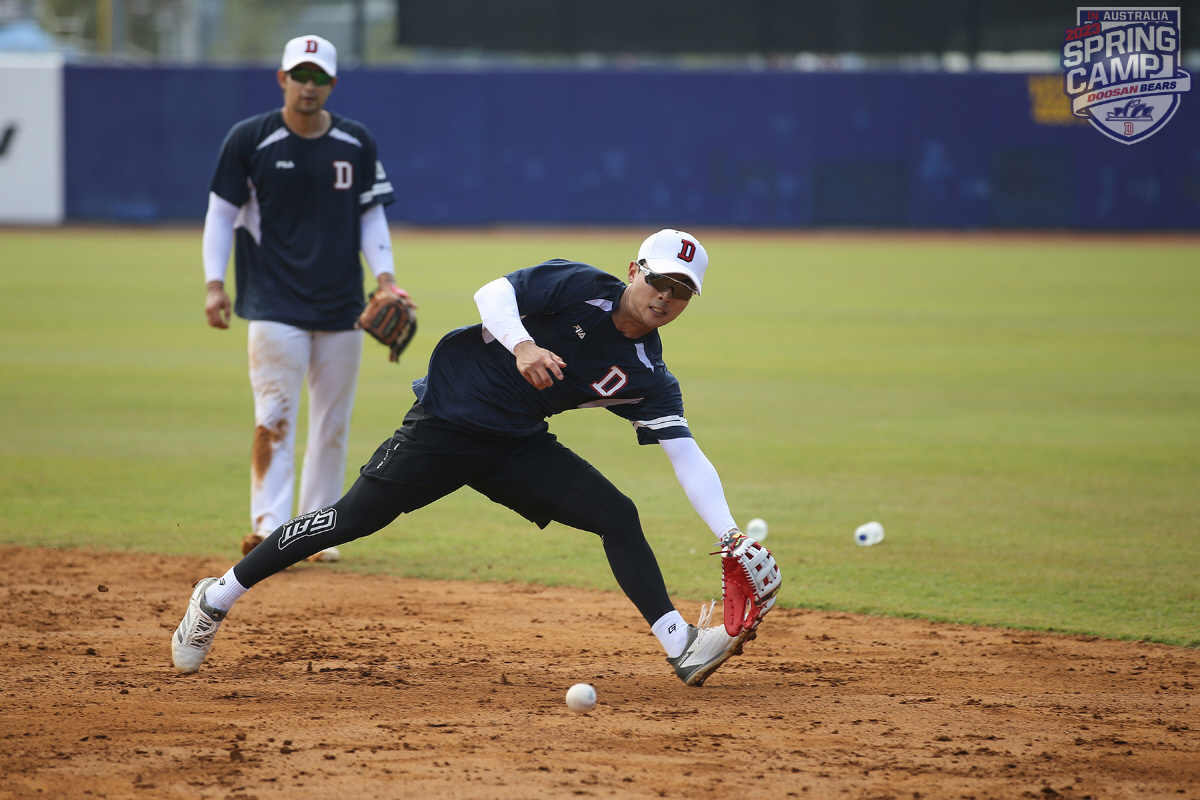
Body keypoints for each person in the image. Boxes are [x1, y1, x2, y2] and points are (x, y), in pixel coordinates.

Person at [174, 230, 779, 686]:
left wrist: (729, 534)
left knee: (616, 514)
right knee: (350, 520)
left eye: (682, 292)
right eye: (660, 281)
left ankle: (681, 645)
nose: (666, 298)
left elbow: (685, 454)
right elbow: (493, 292)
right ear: (634, 270)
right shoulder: (579, 286)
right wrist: (522, 345)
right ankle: (217, 596)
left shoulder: (649, 374)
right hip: (446, 424)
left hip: (514, 444)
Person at [201, 34, 409, 563]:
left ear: (332, 84)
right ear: (282, 78)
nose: (308, 85)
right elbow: (221, 215)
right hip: (273, 304)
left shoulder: (355, 141)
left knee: (332, 423)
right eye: (300, 75)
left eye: (319, 77)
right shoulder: (250, 139)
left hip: (342, 306)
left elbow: (370, 215)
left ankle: (317, 533)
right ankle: (270, 528)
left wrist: (385, 277)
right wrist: (214, 284)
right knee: (275, 414)